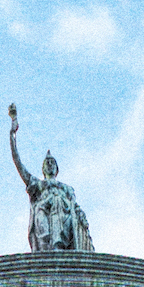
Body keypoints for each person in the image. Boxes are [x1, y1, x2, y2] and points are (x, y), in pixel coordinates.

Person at [9, 105, 94, 252]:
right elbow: (18, 163)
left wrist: (82, 217)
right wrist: (12, 133)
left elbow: (75, 207)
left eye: (52, 162)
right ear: (42, 169)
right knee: (50, 210)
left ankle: (59, 247)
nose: (49, 164)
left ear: (57, 168)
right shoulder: (38, 185)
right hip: (44, 216)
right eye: (46, 163)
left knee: (59, 205)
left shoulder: (66, 189)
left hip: (63, 217)